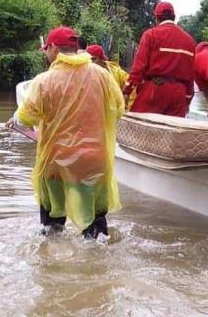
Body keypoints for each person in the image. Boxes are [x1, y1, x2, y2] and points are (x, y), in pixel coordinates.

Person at [9, 27, 125, 238]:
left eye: (46, 49)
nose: (45, 53)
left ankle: (53, 265)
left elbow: (27, 118)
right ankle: (98, 260)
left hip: (55, 161)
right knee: (96, 224)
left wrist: (16, 117)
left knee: (52, 223)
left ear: (53, 48)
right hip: (93, 160)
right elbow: (118, 110)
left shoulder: (44, 80)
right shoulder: (102, 75)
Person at [123, 1, 196, 117]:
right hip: (178, 95)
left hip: (154, 90)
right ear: (174, 17)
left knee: (140, 129)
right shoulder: (190, 41)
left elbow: (139, 68)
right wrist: (187, 100)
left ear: (156, 18)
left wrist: (127, 90)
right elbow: (191, 76)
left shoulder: (150, 35)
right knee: (172, 132)